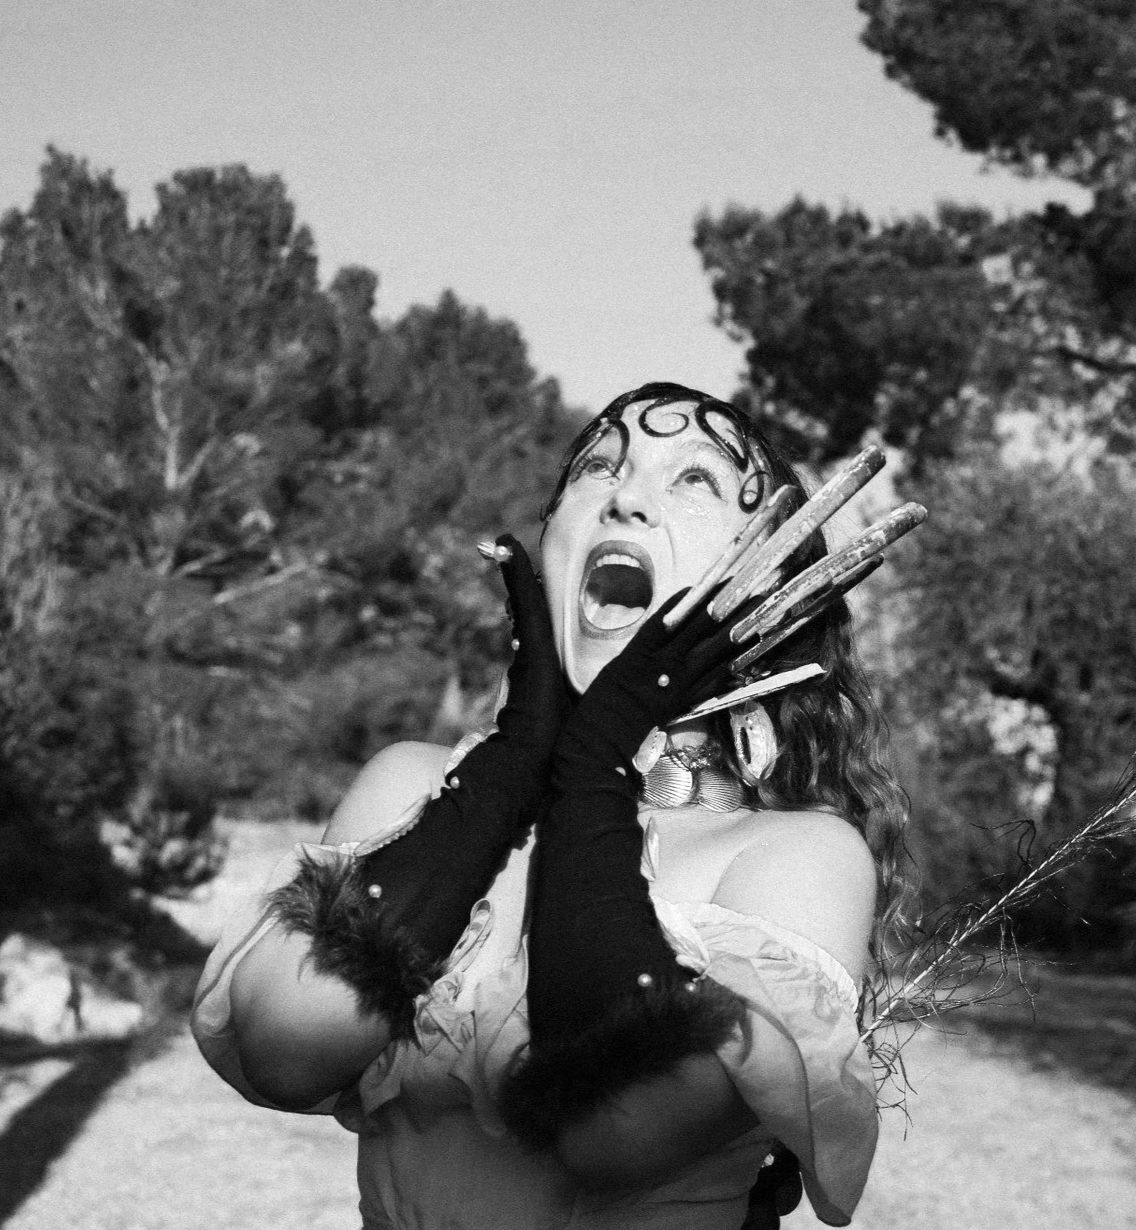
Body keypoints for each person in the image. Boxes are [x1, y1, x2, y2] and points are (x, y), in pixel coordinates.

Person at [192, 382, 910, 1229]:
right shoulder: (412, 786)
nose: (626, 497)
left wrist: (595, 764)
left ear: (771, 584)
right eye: (599, 465)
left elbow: (619, 1130)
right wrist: (505, 771)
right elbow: (283, 1050)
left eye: (695, 479)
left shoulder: (796, 856)